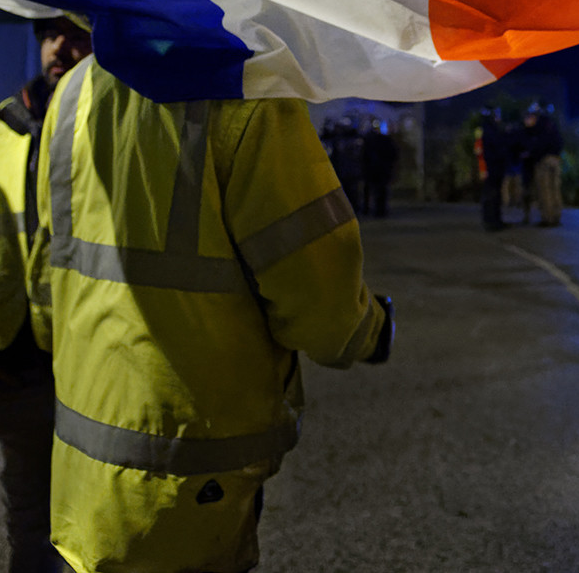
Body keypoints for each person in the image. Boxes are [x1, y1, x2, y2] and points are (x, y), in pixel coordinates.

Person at [27, 55, 392, 573]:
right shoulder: (249, 95)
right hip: (193, 466)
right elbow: (321, 305)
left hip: (83, 458)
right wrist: (370, 330)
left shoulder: (71, 92)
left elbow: (48, 264)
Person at [0, 15, 91, 573]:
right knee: (30, 516)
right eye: (51, 34)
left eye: (77, 35)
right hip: (15, 359)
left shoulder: (115, 119)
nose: (62, 46)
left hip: (96, 359)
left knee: (102, 516)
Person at [517, 104, 564, 227]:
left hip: (544, 161)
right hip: (556, 160)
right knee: (555, 190)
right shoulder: (552, 125)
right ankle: (556, 216)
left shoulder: (540, 128)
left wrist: (530, 153)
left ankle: (548, 218)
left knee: (545, 191)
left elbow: (537, 145)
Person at [361, 118, 398, 217]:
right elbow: (393, 154)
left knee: (376, 191)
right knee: (381, 191)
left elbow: (364, 156)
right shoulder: (385, 140)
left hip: (375, 170)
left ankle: (375, 210)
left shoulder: (369, 140)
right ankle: (380, 210)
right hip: (380, 170)